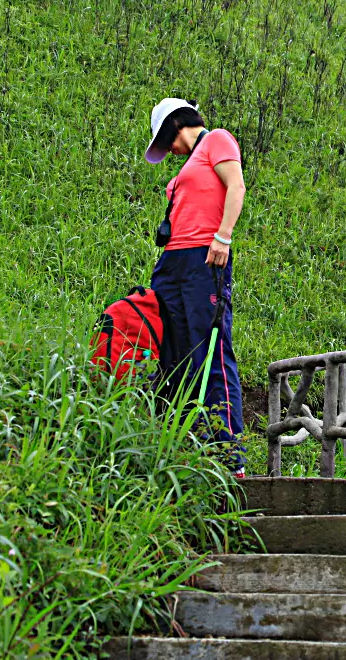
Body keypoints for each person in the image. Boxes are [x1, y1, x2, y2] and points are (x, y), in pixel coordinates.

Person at [145, 98, 247, 477]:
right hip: (172, 264)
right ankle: (189, 448)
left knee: (213, 351)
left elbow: (236, 185)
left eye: (164, 141)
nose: (167, 150)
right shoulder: (188, 165)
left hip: (205, 258)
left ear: (176, 123)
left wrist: (223, 237)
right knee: (174, 353)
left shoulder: (216, 139)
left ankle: (229, 456)